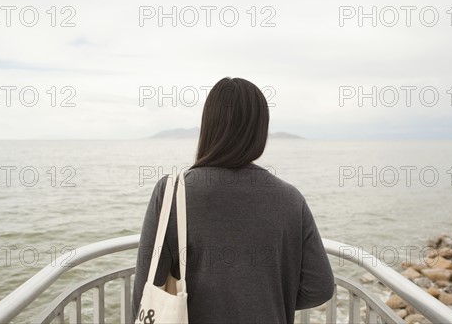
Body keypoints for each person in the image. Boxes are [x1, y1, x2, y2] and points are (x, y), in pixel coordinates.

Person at [132, 77, 334, 323]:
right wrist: (268, 301)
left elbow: (146, 290)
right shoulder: (290, 198)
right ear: (260, 130)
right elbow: (319, 287)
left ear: (208, 125)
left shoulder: (173, 191)